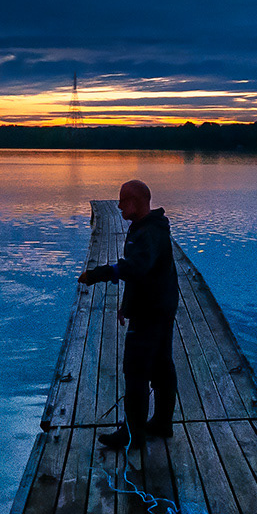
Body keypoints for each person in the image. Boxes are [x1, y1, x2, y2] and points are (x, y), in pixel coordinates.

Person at [80, 179, 178, 453]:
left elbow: (134, 268)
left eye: (123, 200)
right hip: (159, 307)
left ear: (136, 201)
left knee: (136, 371)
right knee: (161, 365)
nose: (119, 205)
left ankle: (132, 435)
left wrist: (98, 274)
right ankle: (161, 423)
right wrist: (127, 305)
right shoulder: (149, 229)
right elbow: (145, 275)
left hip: (152, 312)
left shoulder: (147, 233)